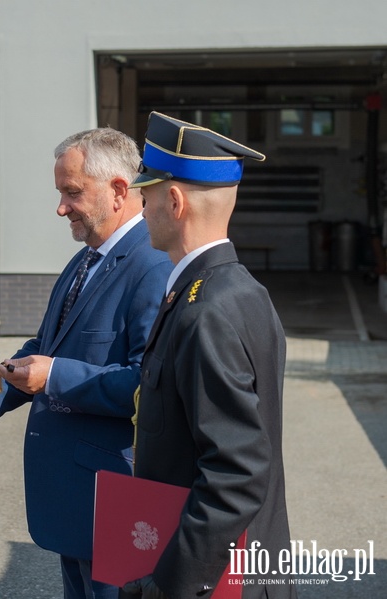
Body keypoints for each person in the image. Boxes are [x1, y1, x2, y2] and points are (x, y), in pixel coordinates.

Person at [0, 128, 172, 599]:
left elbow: (151, 385)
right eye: (61, 192)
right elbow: (45, 345)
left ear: (120, 190)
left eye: (72, 192)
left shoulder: (153, 265)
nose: (61, 207)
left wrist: (56, 377)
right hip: (77, 500)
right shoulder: (86, 260)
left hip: (115, 500)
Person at [124, 112, 294, 598]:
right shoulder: (236, 290)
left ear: (174, 201)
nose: (141, 209)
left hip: (213, 580)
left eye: (147, 195)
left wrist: (170, 582)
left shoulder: (206, 309)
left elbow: (236, 473)